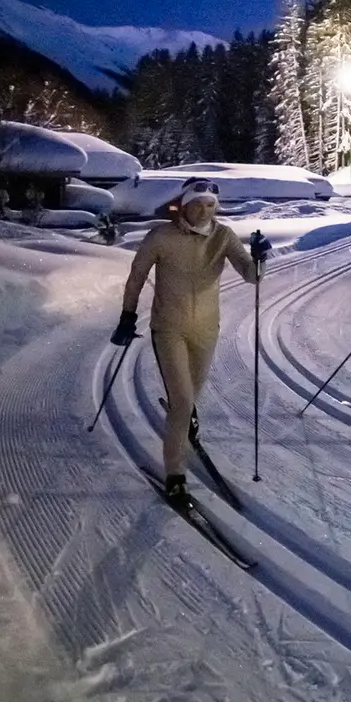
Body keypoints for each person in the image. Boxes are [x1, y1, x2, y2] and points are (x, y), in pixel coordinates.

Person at [111, 178, 270, 502]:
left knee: (189, 398)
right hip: (169, 328)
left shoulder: (223, 236)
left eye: (210, 205)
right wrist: (128, 315)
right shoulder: (162, 236)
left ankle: (184, 418)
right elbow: (137, 276)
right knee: (181, 401)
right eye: (197, 204)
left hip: (206, 330)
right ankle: (175, 474)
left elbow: (251, 276)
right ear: (184, 204)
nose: (203, 211)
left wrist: (260, 257)